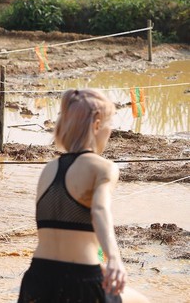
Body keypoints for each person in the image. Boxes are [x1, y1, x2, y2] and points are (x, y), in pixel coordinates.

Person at [18, 89, 149, 303]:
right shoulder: (103, 167)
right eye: (110, 124)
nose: (111, 131)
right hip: (80, 281)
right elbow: (99, 210)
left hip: (37, 278)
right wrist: (114, 258)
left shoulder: (48, 170)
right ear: (97, 125)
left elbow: (58, 229)